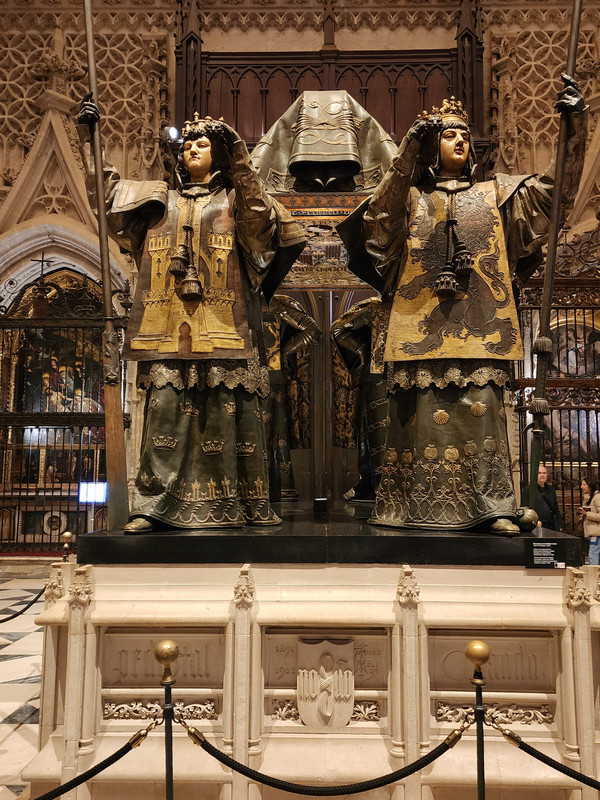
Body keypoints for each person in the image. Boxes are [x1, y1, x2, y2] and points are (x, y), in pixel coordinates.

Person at [338, 76, 587, 533]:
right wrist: (406, 153)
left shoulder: (496, 196)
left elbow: (553, 195)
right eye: (448, 135)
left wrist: (574, 127)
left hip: (481, 331)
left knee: (482, 418)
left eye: (465, 136)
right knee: (420, 422)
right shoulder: (411, 200)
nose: (459, 141)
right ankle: (412, 506)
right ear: (431, 148)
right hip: (419, 328)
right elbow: (378, 223)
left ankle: (492, 507)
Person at [78, 101, 306, 530]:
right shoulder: (158, 201)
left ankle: (236, 502)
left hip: (226, 328)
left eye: (203, 144)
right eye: (187, 145)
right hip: (167, 329)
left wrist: (240, 154)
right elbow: (108, 198)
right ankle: (153, 506)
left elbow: (262, 229)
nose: (192, 149)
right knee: (165, 413)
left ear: (219, 154)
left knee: (225, 414)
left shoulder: (236, 200)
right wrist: (90, 139)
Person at [534, 465, 563, 531]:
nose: (542, 475)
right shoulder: (530, 489)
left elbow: (555, 507)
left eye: (544, 473)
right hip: (536, 524)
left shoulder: (550, 489)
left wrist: (559, 524)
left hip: (551, 524)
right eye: (539, 473)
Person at [579, 476, 600, 565]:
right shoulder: (587, 498)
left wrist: (587, 514)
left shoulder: (597, 498)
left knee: (593, 555)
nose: (581, 487)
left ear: (590, 486)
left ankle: (593, 573)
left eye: (584, 485)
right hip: (592, 532)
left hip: (597, 533)